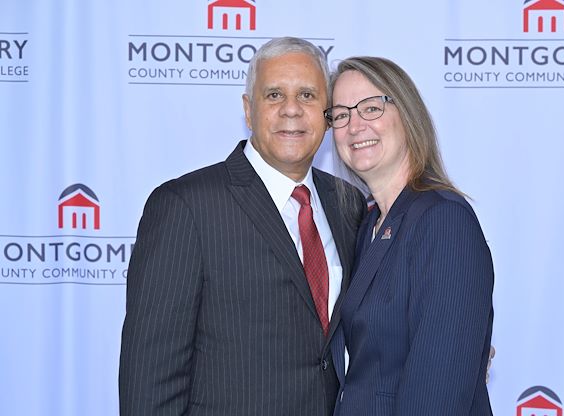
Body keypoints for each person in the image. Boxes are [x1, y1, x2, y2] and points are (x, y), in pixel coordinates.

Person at [118, 37, 365, 416]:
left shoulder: (349, 205)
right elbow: (150, 380)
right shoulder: (185, 206)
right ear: (249, 111)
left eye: (308, 96)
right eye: (274, 95)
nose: (291, 111)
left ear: (328, 113)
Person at [325, 56, 495, 415]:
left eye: (370, 108)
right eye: (340, 115)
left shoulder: (443, 220)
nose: (355, 126)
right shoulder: (367, 226)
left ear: (408, 115)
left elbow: (438, 395)